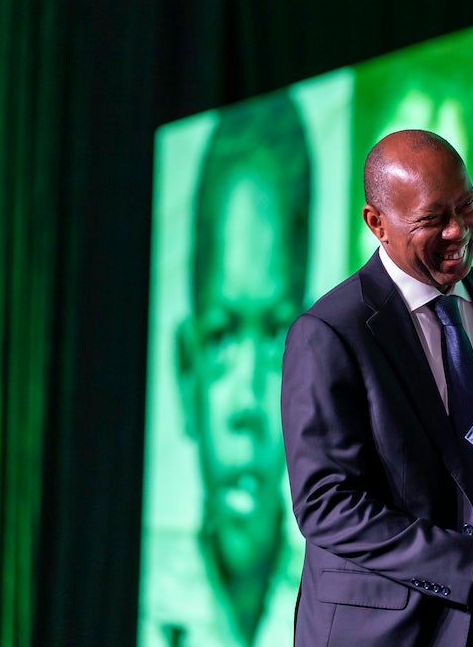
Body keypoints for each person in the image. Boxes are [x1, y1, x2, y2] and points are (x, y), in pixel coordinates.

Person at [280, 129, 473, 647]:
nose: (459, 232)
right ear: (377, 224)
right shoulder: (330, 333)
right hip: (390, 629)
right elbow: (326, 503)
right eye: (433, 220)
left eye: (468, 206)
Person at [141, 94, 309, 647]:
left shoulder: (344, 602)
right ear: (184, 373)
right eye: (219, 338)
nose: (247, 407)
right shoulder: (142, 603)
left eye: (274, 339)